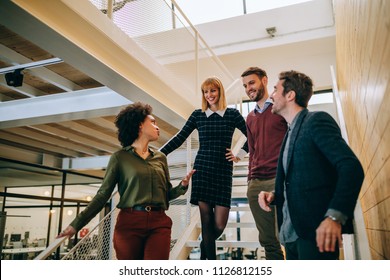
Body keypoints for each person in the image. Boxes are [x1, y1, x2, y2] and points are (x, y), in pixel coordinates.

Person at [58, 102, 195, 260]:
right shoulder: (120, 158)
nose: (157, 127)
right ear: (140, 126)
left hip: (159, 222)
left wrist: (182, 186)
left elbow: (165, 195)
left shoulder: (160, 158)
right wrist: (76, 224)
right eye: (153, 122)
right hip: (129, 224)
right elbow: (103, 195)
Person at [258, 70, 364, 260]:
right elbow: (302, 178)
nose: (271, 95)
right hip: (290, 237)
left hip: (315, 234)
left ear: (290, 95)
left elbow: (351, 167)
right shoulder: (288, 134)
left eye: (275, 89)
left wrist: (334, 217)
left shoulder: (316, 121)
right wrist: (275, 195)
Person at [160, 77, 248, 260]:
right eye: (205, 92)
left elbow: (252, 136)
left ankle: (204, 252)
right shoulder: (198, 115)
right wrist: (160, 153)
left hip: (223, 171)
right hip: (203, 169)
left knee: (219, 224)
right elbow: (179, 137)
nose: (209, 95)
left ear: (220, 92)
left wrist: (240, 154)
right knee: (206, 222)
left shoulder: (232, 115)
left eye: (212, 91)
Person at [240, 67, 287, 260]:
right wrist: (250, 179)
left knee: (290, 236)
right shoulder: (250, 118)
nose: (248, 88)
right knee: (268, 240)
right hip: (256, 183)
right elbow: (252, 149)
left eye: (252, 83)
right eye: (245, 86)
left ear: (264, 81)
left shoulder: (280, 107)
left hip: (280, 179)